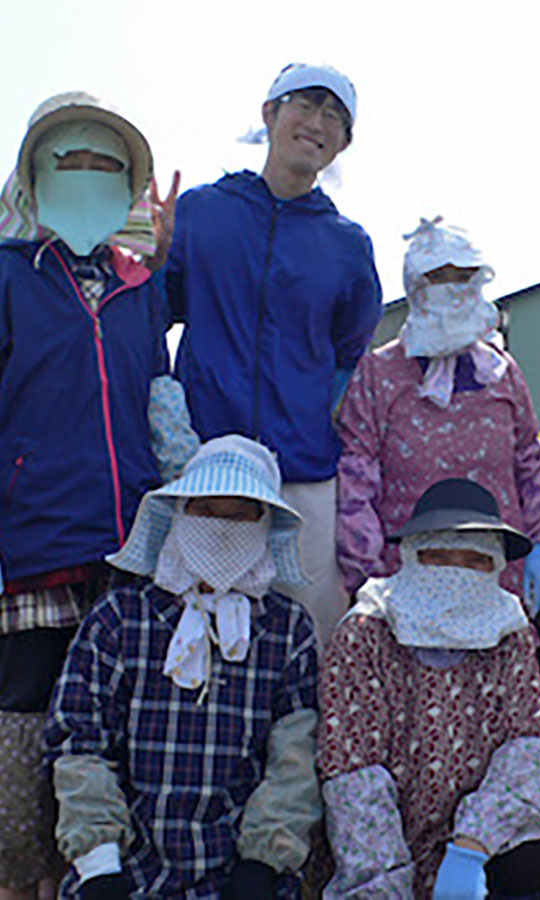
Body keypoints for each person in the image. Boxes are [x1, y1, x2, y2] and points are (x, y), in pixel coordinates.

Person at [0, 91, 194, 900]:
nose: (86, 176)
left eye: (105, 165)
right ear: (33, 177)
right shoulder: (8, 274)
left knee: (111, 724)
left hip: (129, 543)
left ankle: (91, 875)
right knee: (22, 720)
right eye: (68, 159)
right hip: (31, 539)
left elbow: (159, 391)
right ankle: (19, 877)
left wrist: (164, 256)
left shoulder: (139, 286)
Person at [165, 62, 383, 648]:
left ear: (344, 142)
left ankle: (306, 741)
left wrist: (317, 409)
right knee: (197, 618)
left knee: (309, 629)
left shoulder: (348, 244)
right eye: (305, 106)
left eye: (335, 118)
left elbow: (350, 348)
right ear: (269, 113)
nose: (317, 124)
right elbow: (160, 308)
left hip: (302, 466)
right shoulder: (202, 210)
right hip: (205, 456)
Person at [45, 435, 319, 899]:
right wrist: (98, 865)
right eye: (206, 509)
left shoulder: (287, 629)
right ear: (178, 514)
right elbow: (78, 740)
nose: (221, 526)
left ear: (266, 524)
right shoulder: (119, 618)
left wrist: (261, 864)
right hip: (121, 876)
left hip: (241, 879)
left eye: (240, 514)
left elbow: (296, 757)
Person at [318, 478, 540, 898]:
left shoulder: (508, 630)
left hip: (476, 840)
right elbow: (352, 771)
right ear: (412, 557)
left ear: (496, 566)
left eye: (474, 560)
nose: (455, 572)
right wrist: (385, 885)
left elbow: (530, 745)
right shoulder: (366, 631)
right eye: (438, 557)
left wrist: (471, 847)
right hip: (383, 840)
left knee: (532, 863)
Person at [336, 216, 540, 612]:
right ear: (416, 286)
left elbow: (529, 460)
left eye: (463, 277)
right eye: (439, 277)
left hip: (495, 572)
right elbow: (357, 474)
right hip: (401, 576)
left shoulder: (502, 372)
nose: (453, 289)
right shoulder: (379, 373)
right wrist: (365, 569)